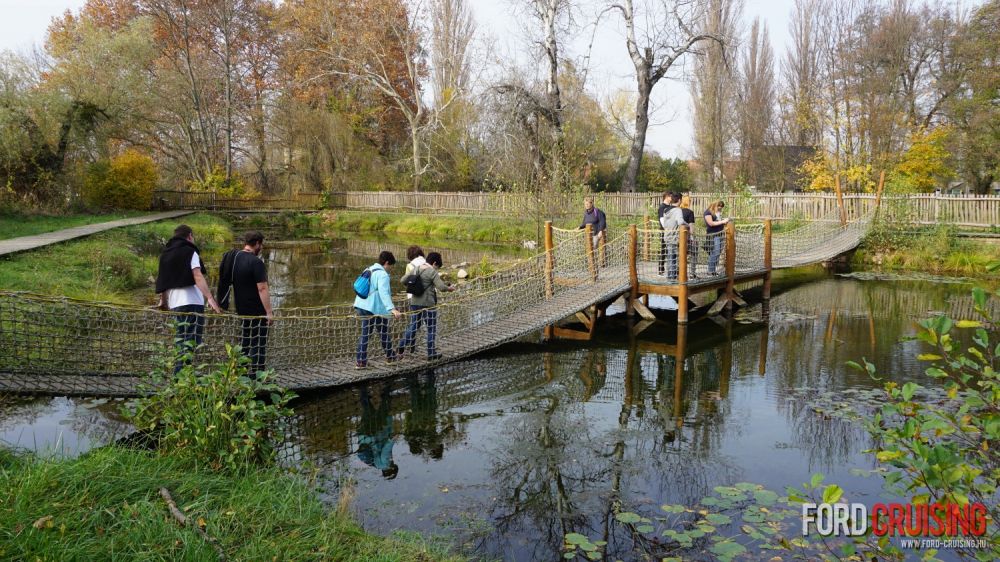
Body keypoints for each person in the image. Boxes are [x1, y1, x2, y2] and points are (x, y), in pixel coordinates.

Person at [155, 224, 222, 371]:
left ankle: (181, 379)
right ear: (190, 236)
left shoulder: (165, 254)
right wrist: (210, 298)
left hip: (175, 304)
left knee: (180, 341)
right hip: (192, 303)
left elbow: (163, 281)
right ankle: (181, 380)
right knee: (190, 343)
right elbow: (197, 275)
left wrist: (163, 301)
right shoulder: (190, 251)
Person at [216, 231, 273, 376]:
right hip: (257, 310)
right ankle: (258, 376)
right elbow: (262, 288)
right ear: (258, 243)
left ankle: (241, 373)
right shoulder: (256, 262)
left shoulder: (235, 258)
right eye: (262, 244)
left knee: (246, 342)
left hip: (242, 309)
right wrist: (269, 312)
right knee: (258, 343)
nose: (262, 247)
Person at [398, 251, 455, 360]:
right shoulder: (432, 272)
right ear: (434, 263)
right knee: (431, 328)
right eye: (437, 266)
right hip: (428, 304)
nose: (436, 268)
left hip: (414, 302)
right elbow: (441, 287)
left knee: (414, 325)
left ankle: (401, 346)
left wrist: (413, 284)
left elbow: (403, 280)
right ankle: (431, 353)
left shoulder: (417, 268)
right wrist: (449, 288)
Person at [354, 251, 402, 369]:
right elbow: (383, 293)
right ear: (386, 263)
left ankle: (361, 362)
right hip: (374, 308)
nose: (390, 269)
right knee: (383, 332)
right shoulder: (382, 274)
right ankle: (390, 357)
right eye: (390, 266)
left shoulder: (369, 269)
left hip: (361, 305)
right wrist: (392, 309)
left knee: (365, 334)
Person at [357, 384, 398, 479]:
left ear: (391, 469)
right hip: (365, 436)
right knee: (367, 411)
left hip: (376, 432)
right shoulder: (376, 465)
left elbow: (385, 451)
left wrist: (392, 440)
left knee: (383, 409)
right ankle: (363, 391)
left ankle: (386, 389)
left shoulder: (386, 463)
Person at [659, 192, 685, 278]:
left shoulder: (666, 210)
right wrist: (687, 225)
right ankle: (672, 277)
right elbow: (680, 222)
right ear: (680, 200)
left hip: (667, 235)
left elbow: (665, 224)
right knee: (673, 257)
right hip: (674, 237)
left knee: (670, 257)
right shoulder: (678, 210)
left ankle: (670, 276)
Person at [704, 200, 731, 276]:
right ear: (714, 205)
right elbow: (711, 223)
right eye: (719, 206)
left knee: (718, 253)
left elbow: (718, 221)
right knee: (715, 252)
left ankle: (713, 270)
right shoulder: (708, 212)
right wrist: (722, 222)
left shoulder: (718, 213)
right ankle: (710, 271)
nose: (720, 208)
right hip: (713, 235)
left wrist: (724, 220)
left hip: (720, 234)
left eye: (721, 207)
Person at [402, 245, 426, 313]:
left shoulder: (410, 266)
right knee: (429, 321)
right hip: (428, 297)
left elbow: (405, 282)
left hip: (414, 296)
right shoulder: (427, 263)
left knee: (415, 320)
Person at [680, 194, 698, 279]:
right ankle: (692, 273)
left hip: (677, 237)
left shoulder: (677, 211)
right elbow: (691, 228)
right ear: (688, 202)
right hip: (687, 237)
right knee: (694, 253)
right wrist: (693, 238)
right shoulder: (690, 212)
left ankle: (679, 272)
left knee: (679, 255)